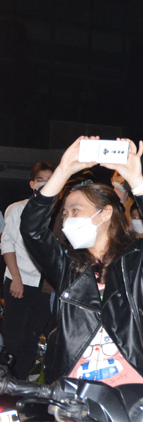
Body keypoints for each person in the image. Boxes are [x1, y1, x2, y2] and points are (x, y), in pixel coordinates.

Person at [20, 137, 143, 385]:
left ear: (104, 213)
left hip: (135, 376)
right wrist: (63, 170)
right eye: (64, 213)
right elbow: (32, 230)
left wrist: (137, 181)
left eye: (75, 210)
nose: (66, 219)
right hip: (77, 381)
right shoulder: (65, 265)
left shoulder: (135, 259)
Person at [1, 162, 55, 379]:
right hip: (19, 281)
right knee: (14, 338)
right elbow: (7, 245)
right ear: (32, 183)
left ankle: (20, 383)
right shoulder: (17, 208)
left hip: (44, 286)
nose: (46, 184)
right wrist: (15, 278)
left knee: (33, 339)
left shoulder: (58, 212)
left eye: (52, 179)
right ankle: (7, 384)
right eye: (42, 180)